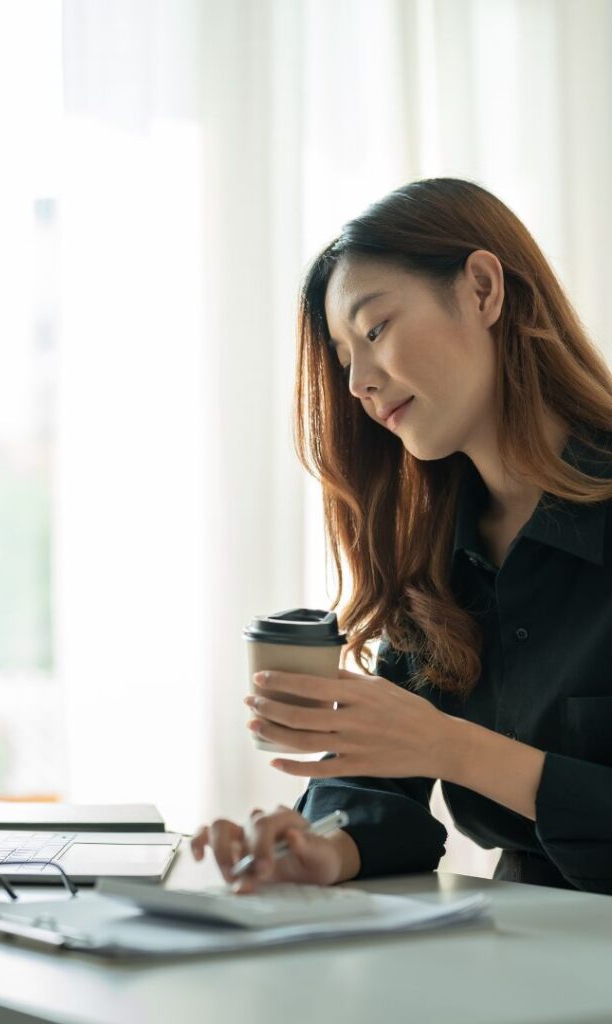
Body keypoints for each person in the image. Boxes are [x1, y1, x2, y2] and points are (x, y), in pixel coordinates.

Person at [191, 177, 612, 896]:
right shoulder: (441, 563)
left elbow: (432, 743)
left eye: (376, 329)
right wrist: (321, 846)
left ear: (482, 289)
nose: (356, 382)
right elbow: (382, 788)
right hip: (526, 954)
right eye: (344, 354)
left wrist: (453, 746)